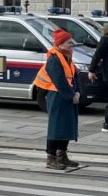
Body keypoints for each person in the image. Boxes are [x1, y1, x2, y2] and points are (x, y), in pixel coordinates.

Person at [33, 30, 80, 170]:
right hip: (57, 95)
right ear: (60, 44)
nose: (72, 44)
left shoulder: (66, 56)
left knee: (66, 126)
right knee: (56, 127)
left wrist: (77, 92)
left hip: (66, 94)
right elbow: (59, 80)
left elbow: (74, 75)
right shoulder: (54, 59)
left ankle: (62, 154)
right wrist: (72, 95)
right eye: (69, 42)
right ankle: (51, 157)